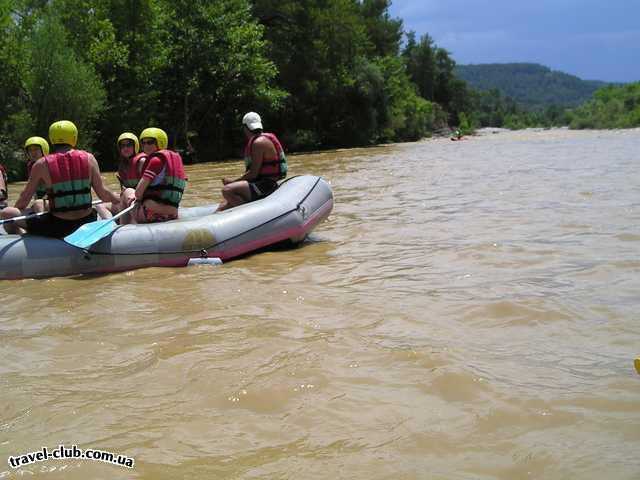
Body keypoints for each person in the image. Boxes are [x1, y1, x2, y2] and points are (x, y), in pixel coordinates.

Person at [0, 120, 121, 238]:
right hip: (87, 221)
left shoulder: (41, 164)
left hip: (58, 226)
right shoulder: (89, 158)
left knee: (7, 213)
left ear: (52, 139)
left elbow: (23, 200)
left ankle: (28, 243)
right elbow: (104, 195)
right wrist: (119, 198)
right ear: (74, 137)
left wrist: (29, 212)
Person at [216, 112, 287, 212]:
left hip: (266, 185)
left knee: (227, 190)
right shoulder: (260, 140)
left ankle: (248, 213)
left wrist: (233, 181)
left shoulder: (259, 143)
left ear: (245, 128)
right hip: (262, 182)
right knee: (222, 206)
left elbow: (253, 174)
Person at [120, 127, 187, 224]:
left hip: (150, 215)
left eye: (150, 142)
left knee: (127, 191)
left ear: (160, 142)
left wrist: (138, 199)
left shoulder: (155, 161)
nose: (146, 145)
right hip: (172, 213)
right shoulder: (173, 159)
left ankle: (122, 228)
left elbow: (138, 193)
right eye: (143, 143)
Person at [24, 136, 50, 213]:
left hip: (51, 199)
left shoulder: (49, 165)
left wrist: (42, 201)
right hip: (39, 199)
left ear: (43, 150)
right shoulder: (30, 165)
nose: (33, 153)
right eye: (30, 150)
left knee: (38, 205)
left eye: (36, 149)